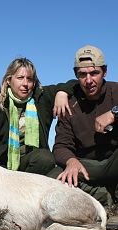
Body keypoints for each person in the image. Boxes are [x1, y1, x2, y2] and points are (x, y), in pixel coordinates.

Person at [0, 57, 76, 175]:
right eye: (20, 78)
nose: (25, 84)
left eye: (29, 79)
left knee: (45, 158)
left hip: (31, 166)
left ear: (34, 82)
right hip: (2, 168)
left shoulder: (42, 98)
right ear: (9, 80)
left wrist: (62, 92)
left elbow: (76, 84)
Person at [48, 45, 118, 211]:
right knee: (52, 178)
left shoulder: (116, 90)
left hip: (115, 162)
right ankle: (105, 197)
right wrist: (70, 161)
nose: (88, 80)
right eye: (82, 74)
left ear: (105, 72)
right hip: (88, 168)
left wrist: (114, 113)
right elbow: (61, 146)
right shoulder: (69, 104)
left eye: (94, 73)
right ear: (76, 75)